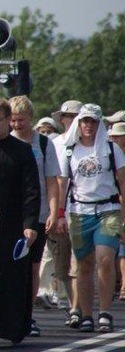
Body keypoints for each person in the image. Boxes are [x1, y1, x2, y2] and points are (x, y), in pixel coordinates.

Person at [58, 104, 125, 332]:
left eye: (93, 122)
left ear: (100, 124)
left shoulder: (111, 149)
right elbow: (62, 183)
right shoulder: (70, 150)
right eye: (85, 121)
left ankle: (104, 312)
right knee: (84, 264)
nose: (88, 125)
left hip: (108, 209)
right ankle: (86, 314)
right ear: (79, 123)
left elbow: (123, 182)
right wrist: (58, 214)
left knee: (105, 259)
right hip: (79, 212)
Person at [0, 98, 40, 346]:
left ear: (8, 121)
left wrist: (30, 224)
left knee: (12, 277)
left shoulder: (22, 150)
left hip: (13, 223)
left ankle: (13, 328)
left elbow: (31, 191)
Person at [9, 96, 60, 337]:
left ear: (31, 118)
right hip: (11, 214)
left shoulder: (43, 144)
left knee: (32, 267)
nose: (16, 124)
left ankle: (28, 317)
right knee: (11, 266)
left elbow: (51, 181)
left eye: (21, 120)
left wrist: (53, 210)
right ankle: (11, 315)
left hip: (37, 214)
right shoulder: (3, 142)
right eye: (13, 120)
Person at [51, 100, 83, 326]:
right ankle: (73, 303)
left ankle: (77, 308)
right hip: (61, 209)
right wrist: (56, 211)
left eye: (77, 117)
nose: (72, 120)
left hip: (84, 210)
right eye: (68, 116)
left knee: (81, 262)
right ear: (62, 119)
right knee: (61, 264)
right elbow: (54, 180)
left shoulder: (95, 144)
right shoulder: (54, 143)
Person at [109, 122, 125, 301]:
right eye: (112, 135)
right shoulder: (110, 151)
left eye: (118, 135)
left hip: (119, 203)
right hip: (113, 204)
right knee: (118, 248)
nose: (113, 138)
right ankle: (119, 285)